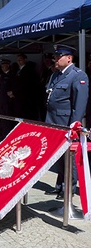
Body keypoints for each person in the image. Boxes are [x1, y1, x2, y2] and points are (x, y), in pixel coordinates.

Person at [44, 44, 89, 200]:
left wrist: (74, 124)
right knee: (57, 156)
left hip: (66, 123)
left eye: (58, 57)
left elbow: (80, 103)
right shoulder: (55, 75)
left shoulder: (78, 75)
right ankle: (59, 185)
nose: (55, 60)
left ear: (69, 58)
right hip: (53, 121)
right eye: (55, 57)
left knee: (68, 157)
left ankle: (68, 188)